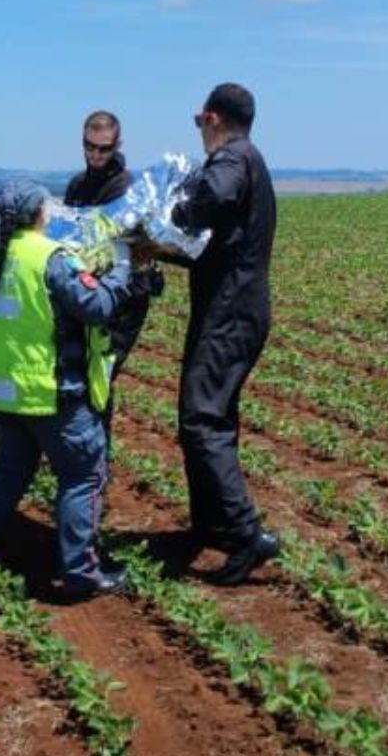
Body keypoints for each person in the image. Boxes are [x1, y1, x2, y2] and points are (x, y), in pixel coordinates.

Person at [0, 181, 132, 599]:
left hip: (3, 395)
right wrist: (121, 266)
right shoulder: (50, 258)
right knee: (82, 476)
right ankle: (81, 573)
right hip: (50, 394)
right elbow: (97, 307)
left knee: (7, 475)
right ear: (39, 214)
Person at [172, 82, 281, 585]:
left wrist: (178, 210)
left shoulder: (233, 157)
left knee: (201, 419)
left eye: (200, 123)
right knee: (213, 416)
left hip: (230, 311)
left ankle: (245, 534)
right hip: (235, 306)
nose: (199, 132)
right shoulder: (250, 156)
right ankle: (211, 524)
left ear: (212, 118)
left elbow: (215, 193)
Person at [63, 110, 164, 373]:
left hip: (124, 294)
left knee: (102, 371)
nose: (95, 154)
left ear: (117, 146)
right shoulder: (77, 185)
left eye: (104, 149)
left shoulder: (128, 189)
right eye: (89, 146)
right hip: (87, 287)